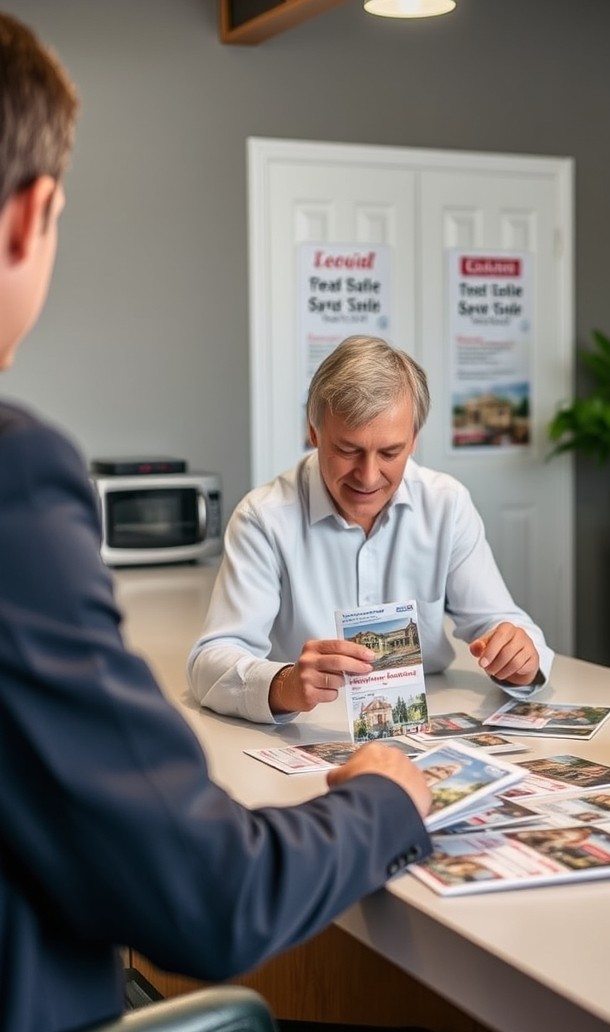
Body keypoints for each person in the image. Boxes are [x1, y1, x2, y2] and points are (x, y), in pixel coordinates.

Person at [0, 14, 433, 1032]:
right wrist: (380, 798)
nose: (368, 473)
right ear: (33, 215)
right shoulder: (16, 476)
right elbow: (207, 900)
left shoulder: (443, 506)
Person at [187, 335, 554, 725]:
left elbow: (499, 621)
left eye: (390, 453)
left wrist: (520, 658)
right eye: (348, 450)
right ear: (314, 432)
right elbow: (211, 660)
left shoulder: (446, 504)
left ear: (413, 440)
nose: (368, 476)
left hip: (426, 720)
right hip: (307, 727)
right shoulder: (263, 518)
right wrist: (284, 683)